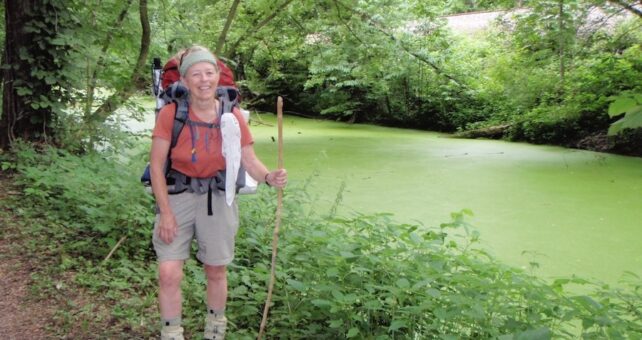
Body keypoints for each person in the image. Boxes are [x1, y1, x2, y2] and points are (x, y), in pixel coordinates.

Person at [149, 45, 287, 340]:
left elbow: (248, 158)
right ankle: (171, 332)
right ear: (185, 81)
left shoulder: (231, 115)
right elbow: (157, 166)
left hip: (218, 197)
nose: (203, 79)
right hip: (177, 195)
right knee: (169, 271)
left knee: (216, 270)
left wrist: (267, 176)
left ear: (217, 78)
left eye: (209, 73)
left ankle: (215, 331)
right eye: (196, 74)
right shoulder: (171, 114)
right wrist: (166, 213)